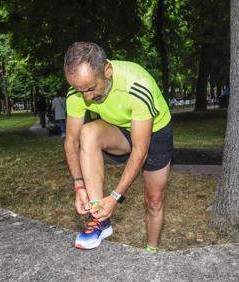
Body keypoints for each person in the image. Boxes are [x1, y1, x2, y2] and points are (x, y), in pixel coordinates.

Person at [64, 42, 173, 252]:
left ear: (107, 71)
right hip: (119, 128)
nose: (86, 97)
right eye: (79, 90)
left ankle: (152, 252)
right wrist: (78, 186)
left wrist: (115, 197)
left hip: (155, 132)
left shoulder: (137, 86)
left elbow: (140, 151)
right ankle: (99, 219)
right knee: (87, 133)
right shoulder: (78, 92)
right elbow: (71, 141)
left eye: (90, 88)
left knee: (154, 199)